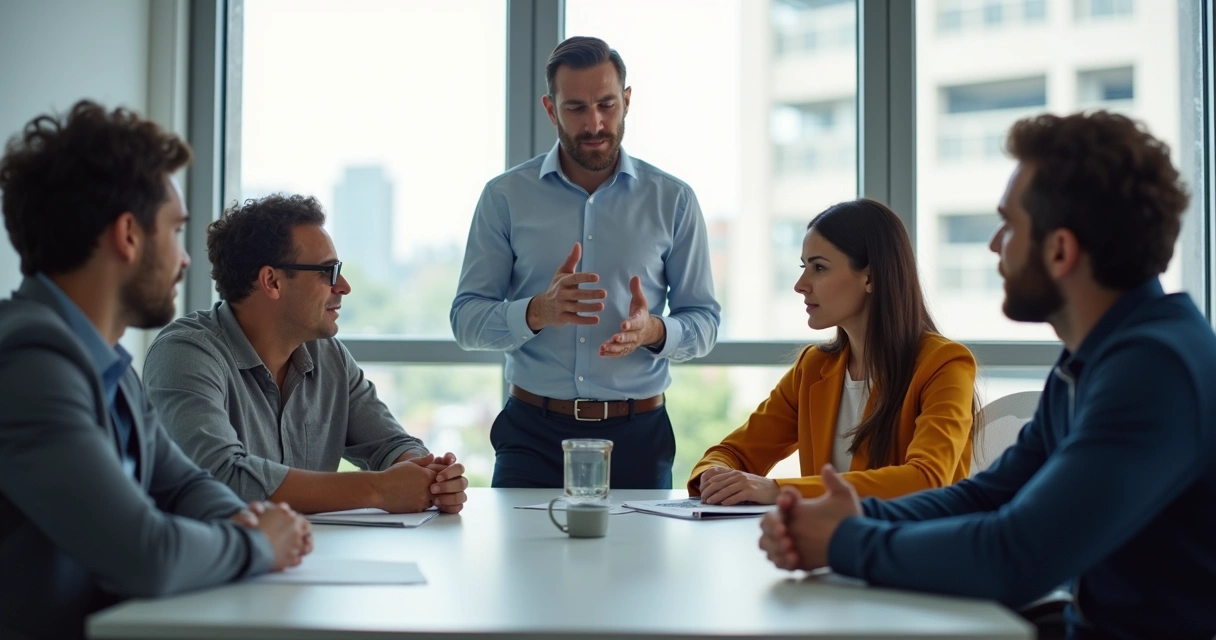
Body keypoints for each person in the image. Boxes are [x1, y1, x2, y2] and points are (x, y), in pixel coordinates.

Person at [758, 111, 1216, 640]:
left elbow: (1015, 556)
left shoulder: (1155, 371)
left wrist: (842, 542)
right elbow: (987, 494)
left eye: (1010, 226)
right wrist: (856, 519)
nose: (995, 245)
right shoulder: (1091, 359)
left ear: (1060, 250)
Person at [0, 101, 313, 640]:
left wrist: (241, 520)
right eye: (174, 231)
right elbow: (147, 555)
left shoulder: (106, 364)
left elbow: (184, 483)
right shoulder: (28, 364)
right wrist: (259, 543)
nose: (185, 258)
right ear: (128, 234)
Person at [450, 36, 721, 489]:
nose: (595, 123)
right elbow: (466, 321)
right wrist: (538, 312)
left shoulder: (673, 200)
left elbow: (705, 322)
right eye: (576, 108)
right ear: (551, 109)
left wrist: (654, 331)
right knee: (519, 563)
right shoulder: (505, 198)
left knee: (639, 563)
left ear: (627, 101)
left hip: (638, 435)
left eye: (607, 104)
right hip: (531, 434)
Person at [143, 195, 468, 515]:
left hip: (307, 558)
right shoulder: (185, 353)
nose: (343, 286)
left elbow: (390, 446)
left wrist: (430, 477)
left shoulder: (329, 356)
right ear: (272, 281)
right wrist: (378, 490)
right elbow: (221, 478)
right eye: (328, 272)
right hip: (215, 564)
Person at [688, 199, 977, 505]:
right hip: (830, 546)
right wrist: (716, 476)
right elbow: (733, 453)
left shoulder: (944, 364)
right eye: (804, 267)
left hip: (913, 548)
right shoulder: (813, 368)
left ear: (870, 277)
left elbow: (926, 479)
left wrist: (778, 490)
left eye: (819, 268)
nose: (800, 285)